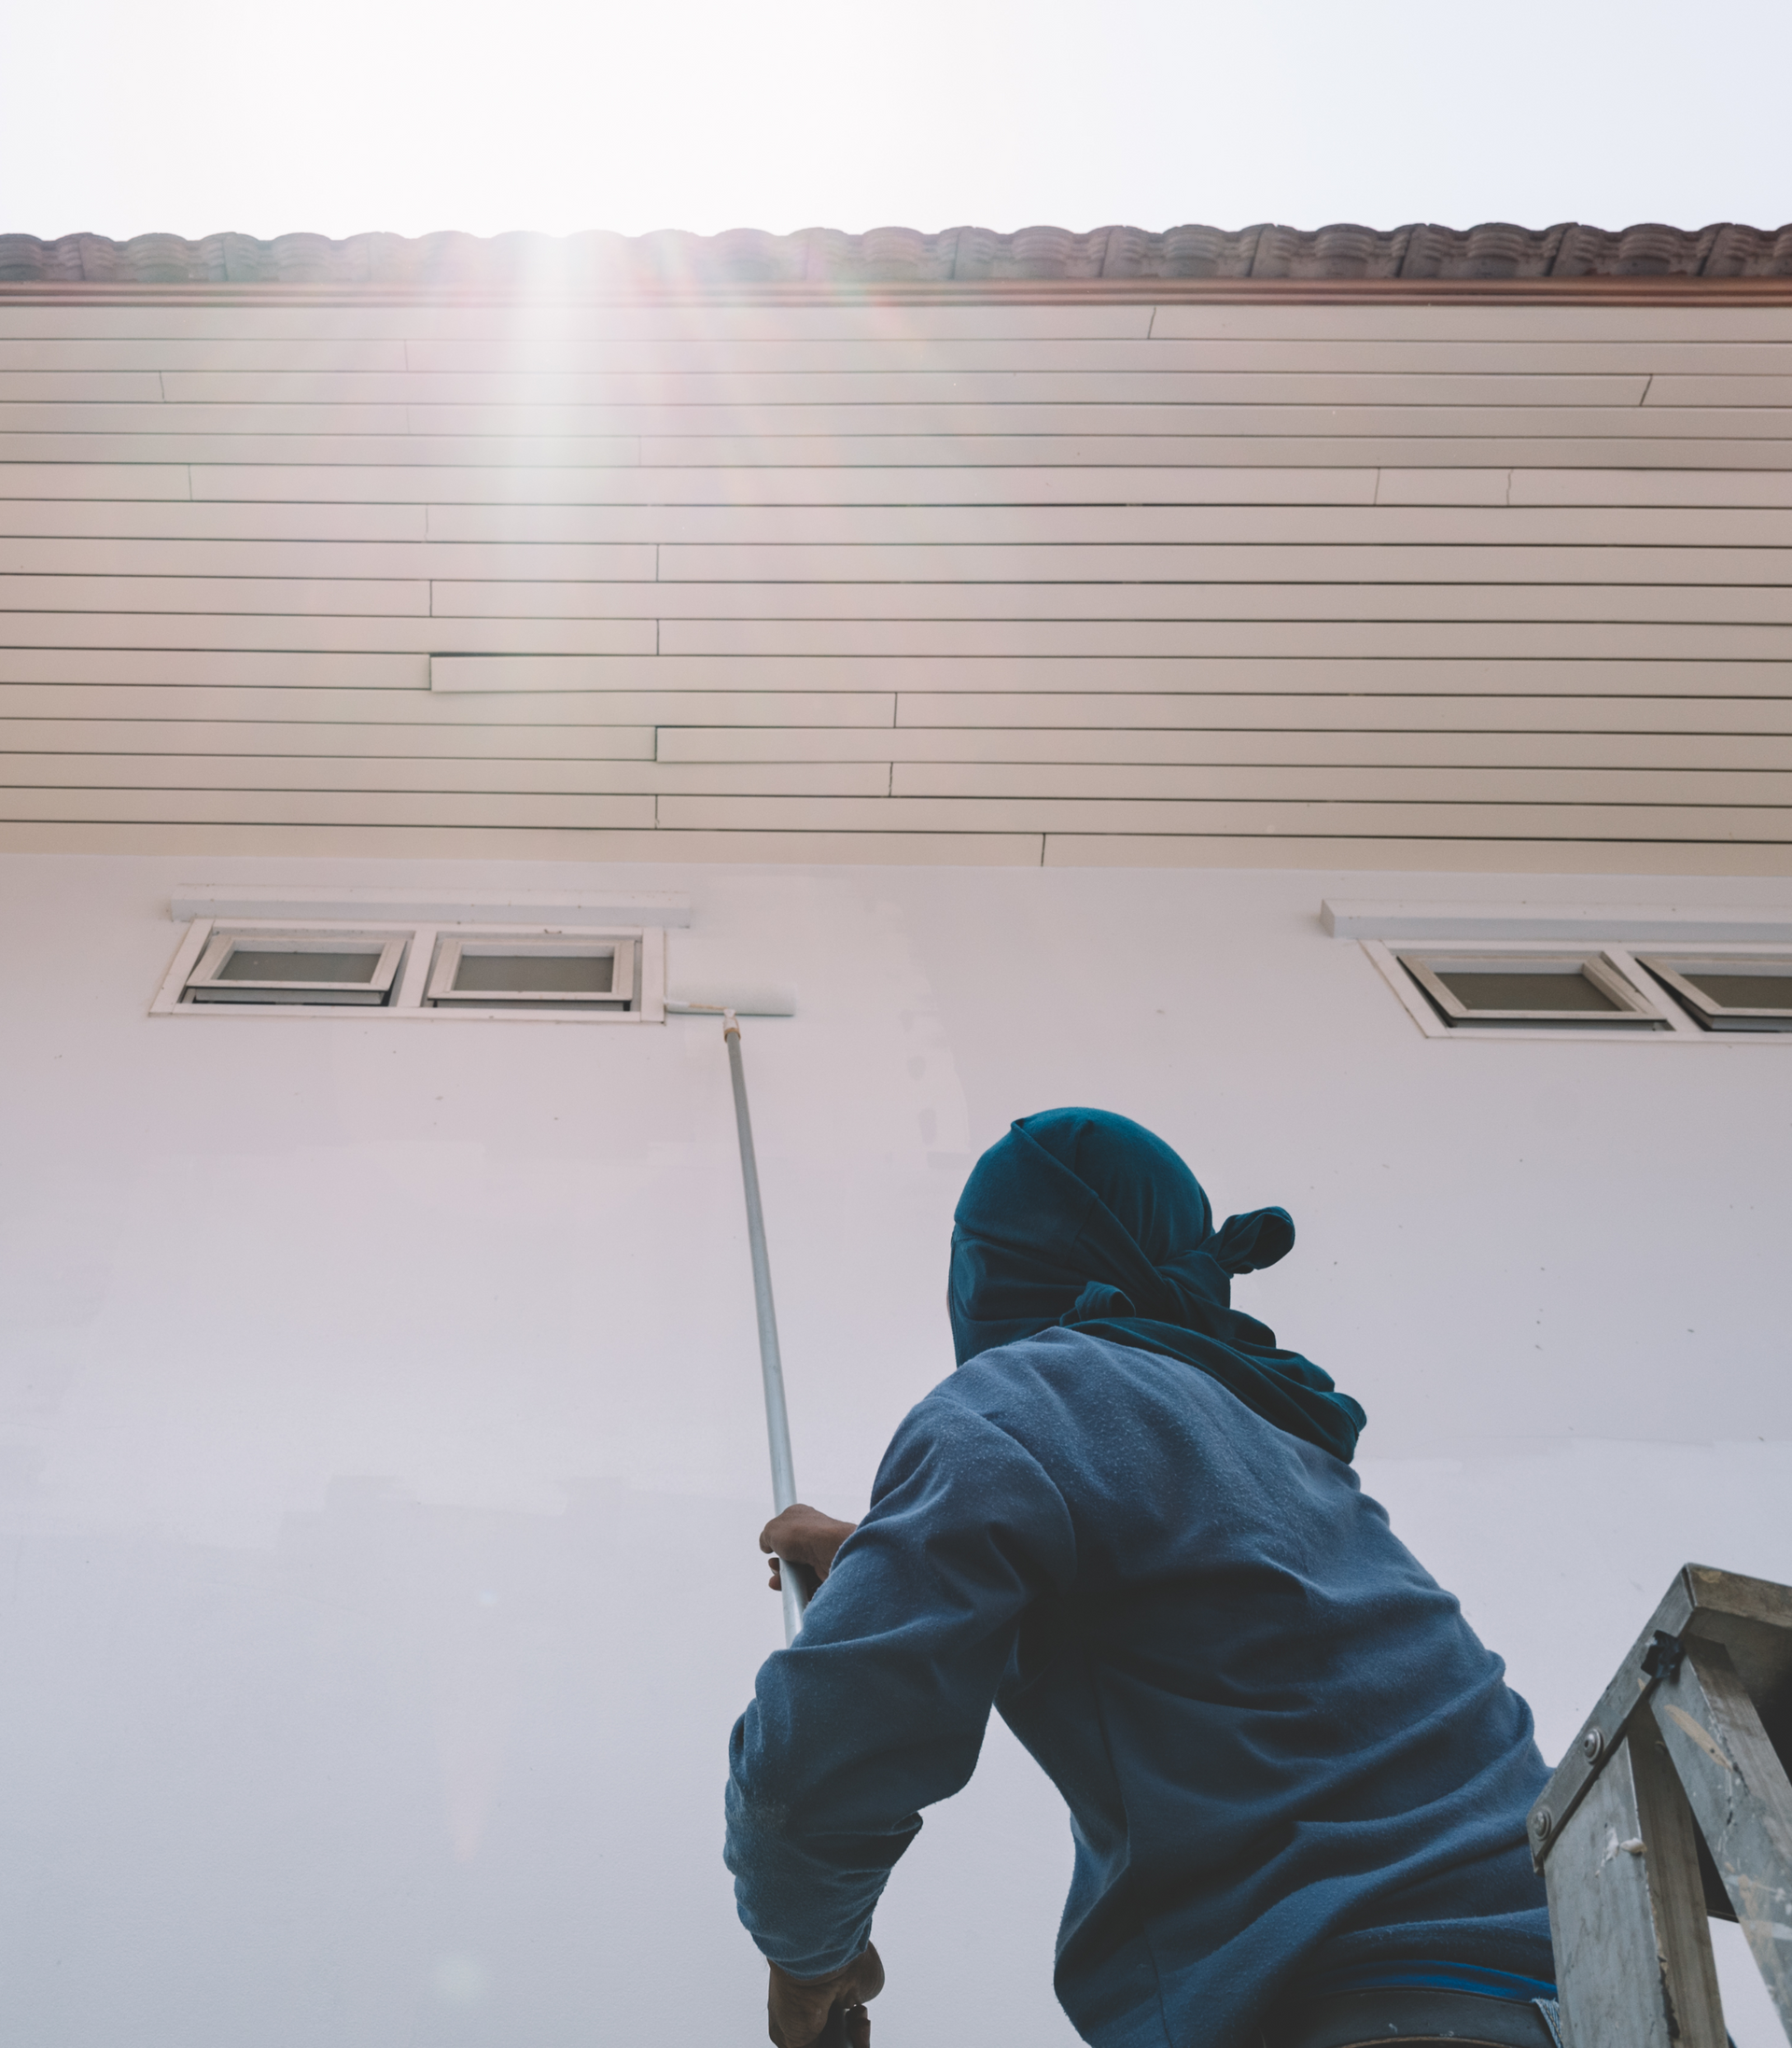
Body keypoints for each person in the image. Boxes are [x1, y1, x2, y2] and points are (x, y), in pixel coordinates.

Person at [724, 1109, 1556, 2048]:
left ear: (991, 1267)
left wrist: (807, 1962)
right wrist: (887, 1549)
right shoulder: (1282, 1444)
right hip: (1591, 1981)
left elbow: (816, 1766)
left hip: (1360, 2005)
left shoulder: (1019, 1398)